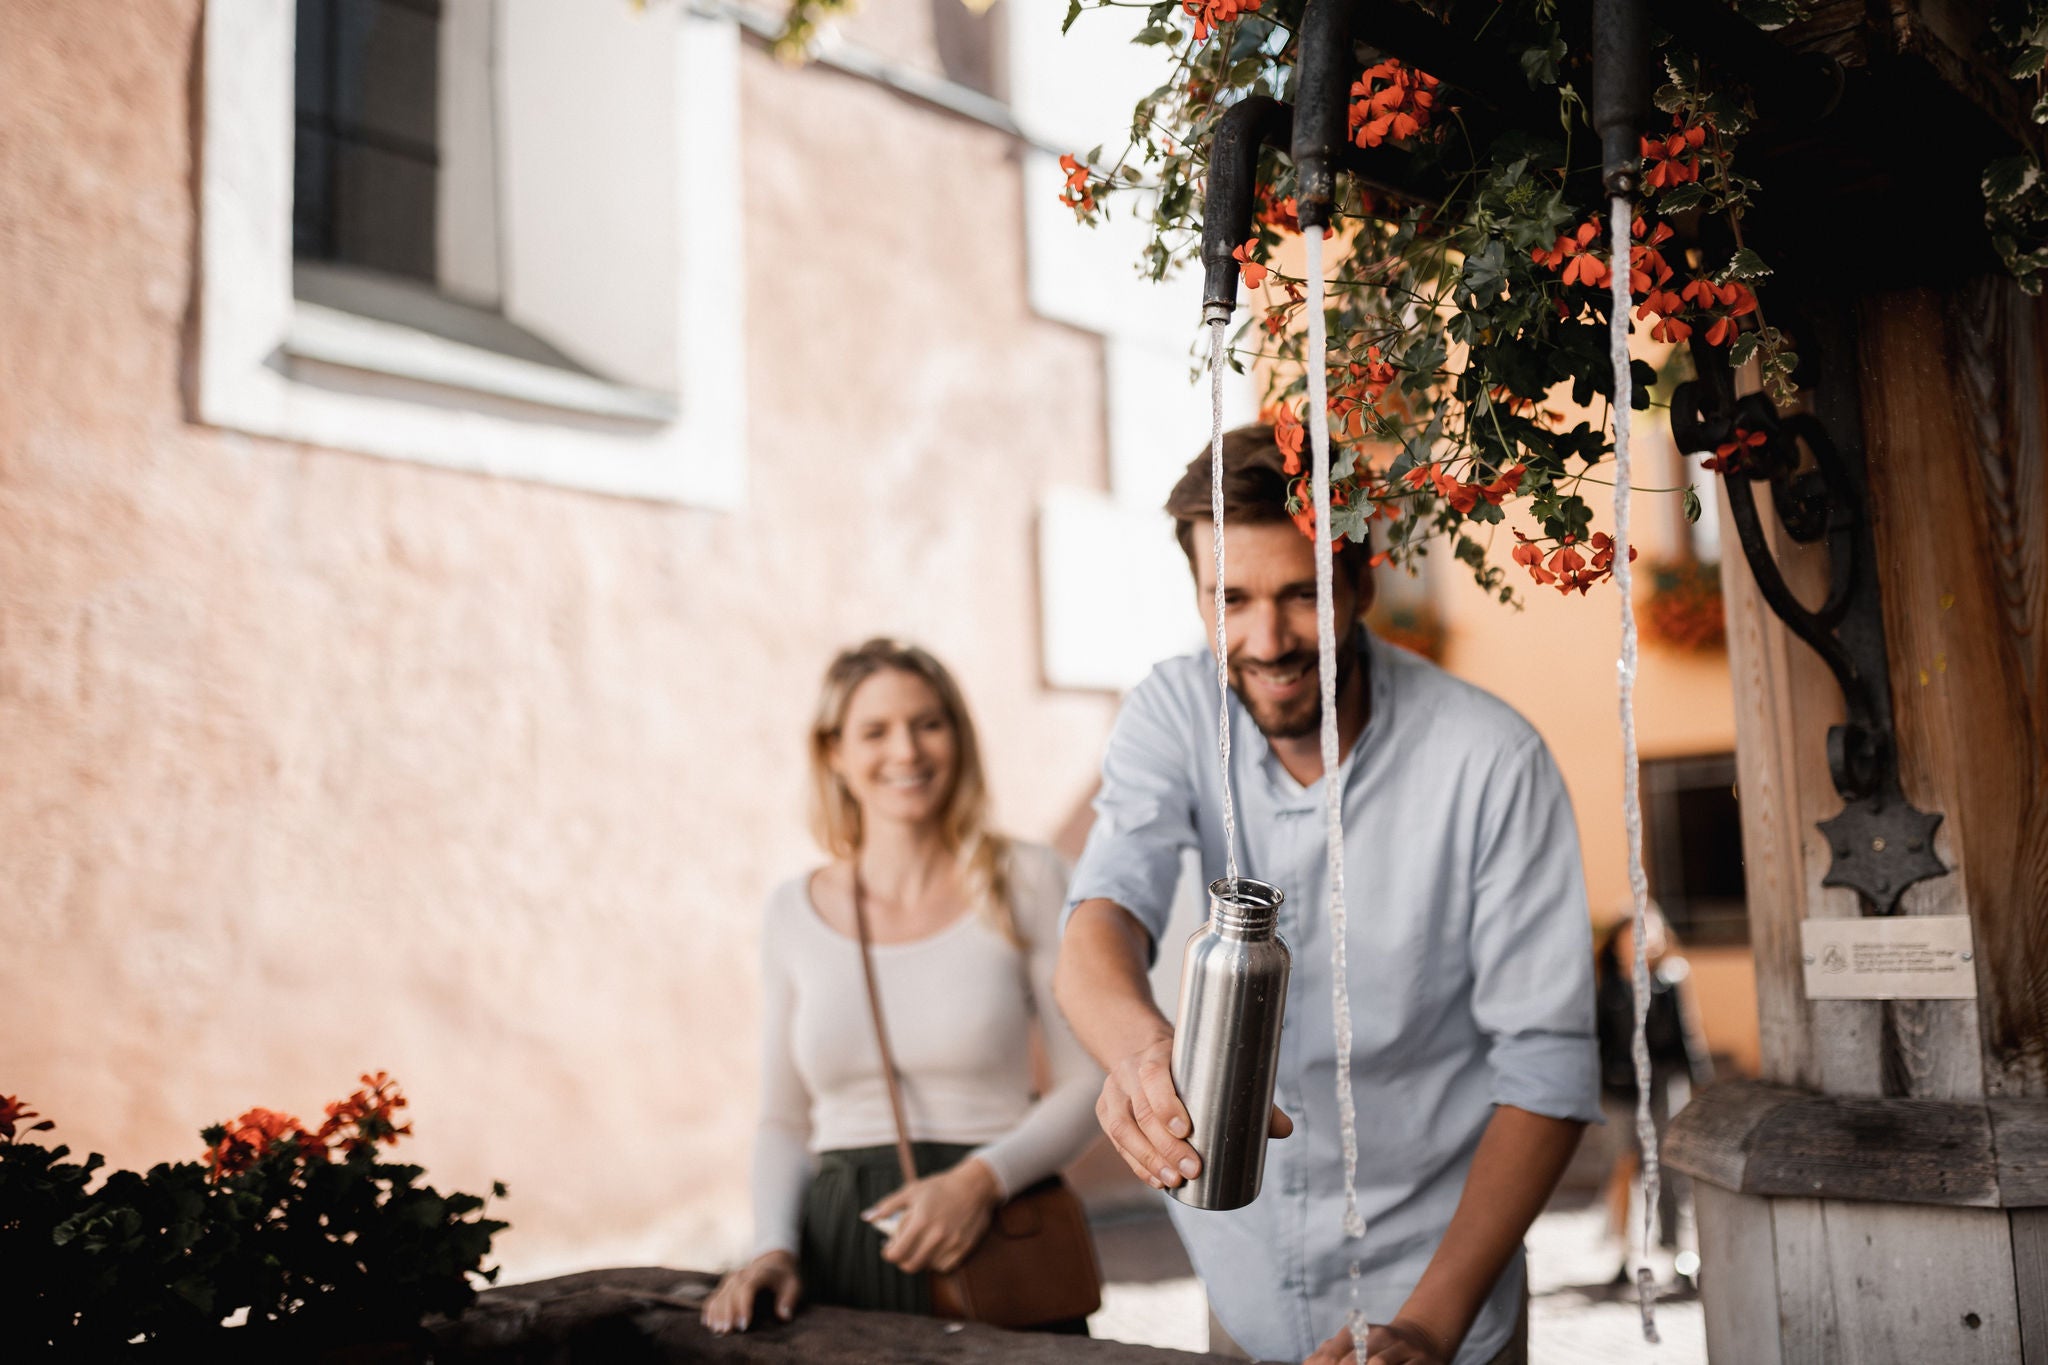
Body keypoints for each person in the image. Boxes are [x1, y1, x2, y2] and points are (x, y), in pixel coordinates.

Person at [1053, 426, 1601, 1365]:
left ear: (1360, 583)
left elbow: (1546, 1071)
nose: (1266, 641)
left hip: (1443, 1295)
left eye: (1302, 594)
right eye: (1230, 599)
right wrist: (1143, 1054)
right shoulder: (1173, 709)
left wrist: (1429, 1327)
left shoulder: (1491, 759)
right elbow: (1102, 912)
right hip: (1246, 1282)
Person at [702, 639, 1103, 1335]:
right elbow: (783, 1120)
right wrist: (772, 1245)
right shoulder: (792, 911)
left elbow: (1089, 1080)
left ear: (959, 735)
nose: (907, 752)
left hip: (999, 1230)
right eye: (875, 730)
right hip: (844, 1247)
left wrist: (980, 1183)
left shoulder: (1028, 877)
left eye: (928, 723)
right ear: (834, 751)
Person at [1595, 907, 1712, 1273]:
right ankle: (1624, 1252)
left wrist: (1701, 1085)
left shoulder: (1671, 980)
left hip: (1664, 1084)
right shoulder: (1604, 985)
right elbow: (1595, 1041)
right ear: (1616, 943)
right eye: (1632, 934)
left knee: (1671, 1164)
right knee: (1622, 1166)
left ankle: (1679, 1250)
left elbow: (1687, 1036)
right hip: (1619, 1092)